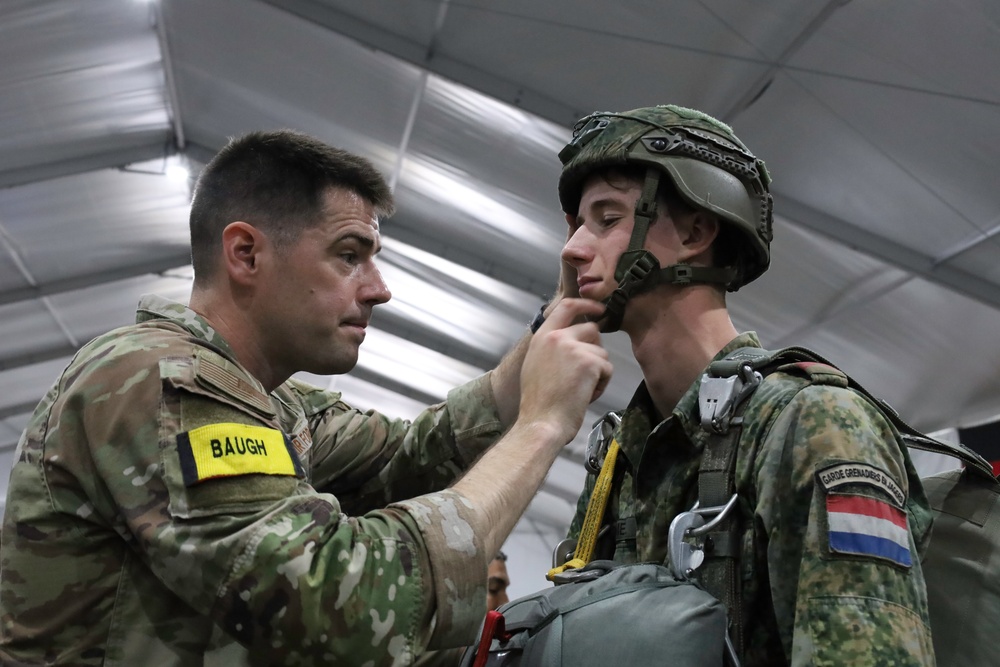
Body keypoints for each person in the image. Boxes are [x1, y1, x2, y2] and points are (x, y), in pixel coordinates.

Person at [0, 130, 612, 666]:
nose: (380, 290)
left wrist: (546, 332)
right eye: (350, 256)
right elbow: (344, 607)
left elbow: (419, 453)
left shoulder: (273, 405)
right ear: (246, 254)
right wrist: (542, 424)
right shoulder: (160, 383)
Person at [555, 106, 935, 665]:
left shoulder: (814, 424)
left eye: (607, 220)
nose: (572, 250)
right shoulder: (619, 454)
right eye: (577, 226)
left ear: (694, 232)